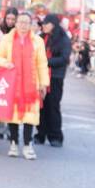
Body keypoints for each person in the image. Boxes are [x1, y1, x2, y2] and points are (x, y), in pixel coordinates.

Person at [0, 11, 49, 160]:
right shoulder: (7, 39)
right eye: (20, 22)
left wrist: (43, 83)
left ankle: (28, 145)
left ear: (31, 25)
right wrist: (6, 63)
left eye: (26, 22)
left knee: (30, 116)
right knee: (13, 116)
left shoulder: (38, 41)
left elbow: (42, 63)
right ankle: (13, 144)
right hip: (13, 84)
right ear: (15, 23)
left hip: (31, 84)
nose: (23, 25)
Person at [36, 12, 71, 147]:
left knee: (53, 106)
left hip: (55, 77)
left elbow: (64, 59)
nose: (43, 26)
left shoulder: (63, 39)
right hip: (40, 76)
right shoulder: (40, 38)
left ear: (53, 25)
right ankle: (40, 134)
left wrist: (45, 61)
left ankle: (55, 136)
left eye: (46, 24)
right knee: (40, 106)